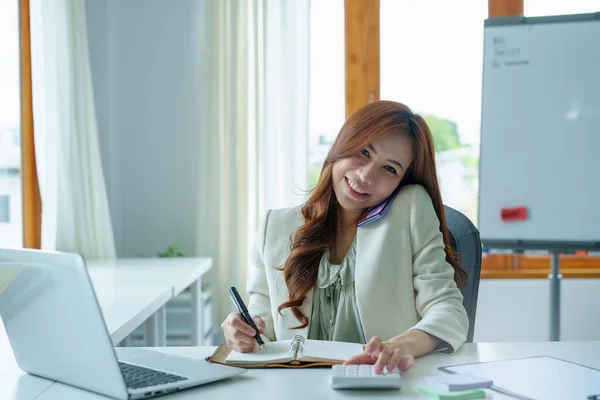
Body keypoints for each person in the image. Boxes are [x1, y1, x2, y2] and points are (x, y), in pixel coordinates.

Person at [222, 100, 469, 374]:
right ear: (342, 144)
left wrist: (403, 345)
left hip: (379, 385)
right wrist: (242, 333)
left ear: (402, 181)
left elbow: (449, 312)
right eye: (364, 152)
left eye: (390, 169)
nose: (365, 176)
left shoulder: (409, 211)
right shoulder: (275, 227)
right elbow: (263, 325)